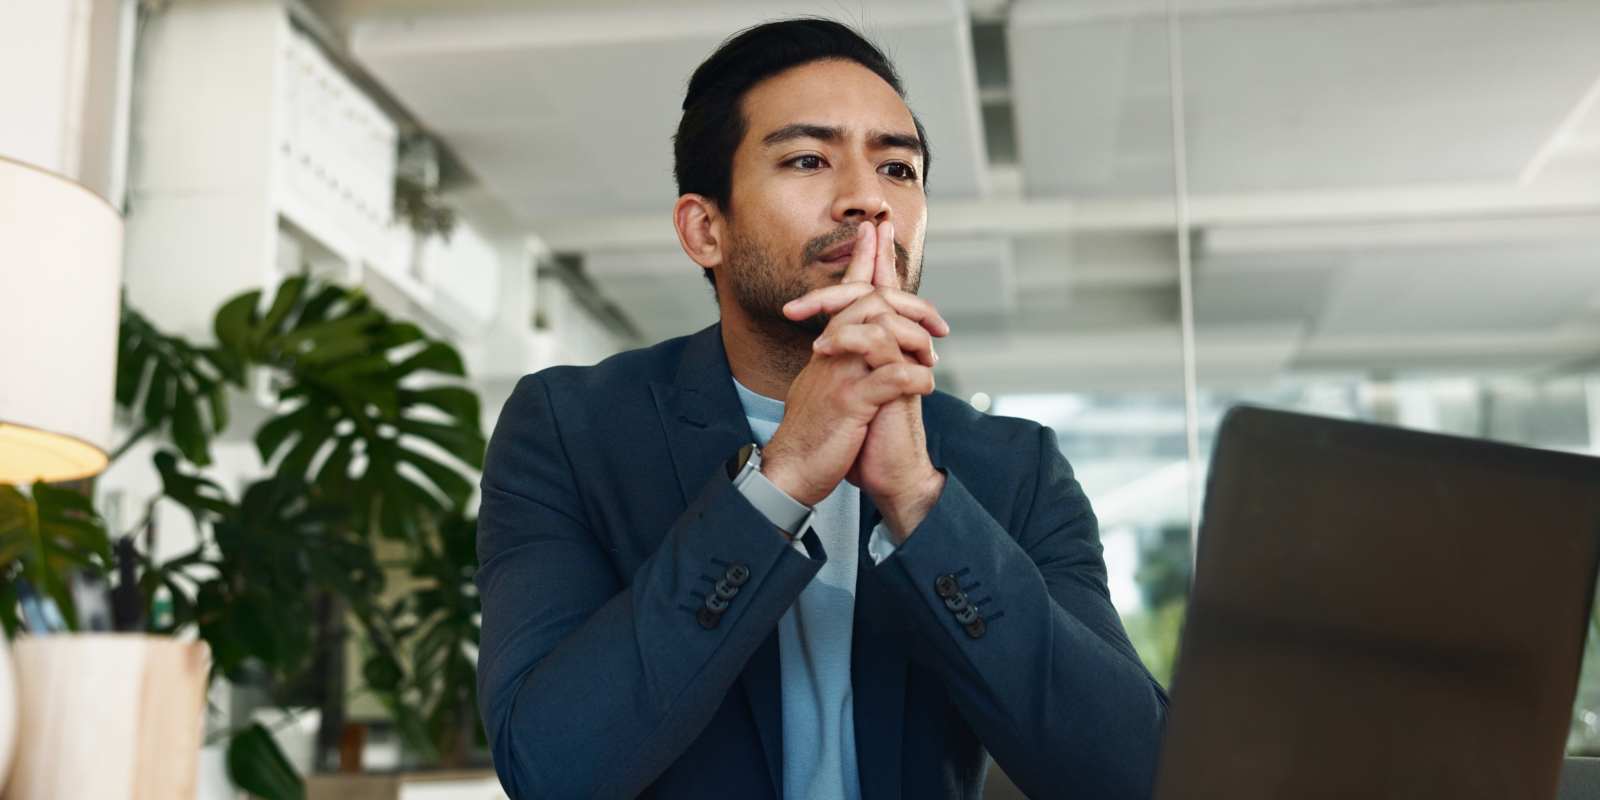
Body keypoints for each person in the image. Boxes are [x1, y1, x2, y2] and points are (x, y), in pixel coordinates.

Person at [475, 17, 1168, 800]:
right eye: (808, 159)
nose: (867, 200)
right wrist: (784, 477)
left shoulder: (1012, 467)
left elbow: (1133, 775)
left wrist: (917, 499)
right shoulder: (573, 430)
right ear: (706, 229)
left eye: (898, 170)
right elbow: (552, 769)